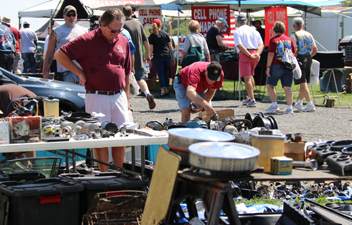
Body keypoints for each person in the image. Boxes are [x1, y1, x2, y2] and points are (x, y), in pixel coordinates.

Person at [54, 8, 131, 172]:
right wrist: (80, 72)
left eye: (120, 30)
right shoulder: (87, 39)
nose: (116, 33)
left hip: (119, 96)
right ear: (102, 25)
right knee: (100, 137)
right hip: (97, 96)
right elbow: (59, 55)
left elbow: (126, 72)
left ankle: (119, 176)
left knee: (120, 137)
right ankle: (104, 177)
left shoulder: (123, 41)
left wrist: (127, 98)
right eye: (113, 30)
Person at [43, 5, 88, 84]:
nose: (71, 17)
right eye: (68, 15)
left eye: (73, 15)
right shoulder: (56, 32)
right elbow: (50, 52)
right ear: (64, 16)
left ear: (76, 16)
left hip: (83, 72)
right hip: (65, 73)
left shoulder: (84, 31)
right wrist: (45, 72)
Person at [123, 4, 155, 109]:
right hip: (139, 57)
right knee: (140, 78)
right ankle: (147, 94)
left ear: (123, 13)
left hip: (127, 57)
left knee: (126, 80)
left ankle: (128, 103)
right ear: (132, 13)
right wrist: (148, 55)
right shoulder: (139, 24)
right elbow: (146, 41)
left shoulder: (121, 25)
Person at [233, 13, 264, 107]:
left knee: (247, 78)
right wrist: (257, 54)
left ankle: (252, 99)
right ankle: (250, 97)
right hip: (255, 52)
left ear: (237, 22)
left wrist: (249, 55)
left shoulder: (237, 31)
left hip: (245, 54)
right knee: (250, 76)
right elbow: (261, 44)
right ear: (246, 21)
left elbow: (239, 45)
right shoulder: (254, 30)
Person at [265, 21, 296, 114]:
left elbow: (271, 54)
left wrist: (268, 67)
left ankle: (274, 105)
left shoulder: (273, 40)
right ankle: (289, 107)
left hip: (276, 64)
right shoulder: (289, 40)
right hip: (288, 65)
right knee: (287, 87)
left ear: (274, 30)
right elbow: (294, 52)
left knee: (270, 85)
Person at [0, 85, 37, 158]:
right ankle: (31, 162)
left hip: (17, 101)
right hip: (31, 98)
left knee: (16, 135)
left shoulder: (13, 103)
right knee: (25, 134)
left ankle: (26, 162)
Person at [291, 17, 318, 112]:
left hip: (299, 58)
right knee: (304, 80)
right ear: (303, 25)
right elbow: (315, 49)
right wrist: (309, 55)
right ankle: (300, 101)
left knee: (303, 82)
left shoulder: (294, 35)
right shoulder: (309, 34)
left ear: (294, 26)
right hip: (308, 58)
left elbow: (294, 50)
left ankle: (310, 103)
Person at [149, 19, 174, 98]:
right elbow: (170, 46)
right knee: (165, 73)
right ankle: (167, 91)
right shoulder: (165, 34)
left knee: (160, 74)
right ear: (160, 25)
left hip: (158, 56)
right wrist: (173, 56)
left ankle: (162, 92)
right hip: (167, 56)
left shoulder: (152, 36)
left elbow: (151, 49)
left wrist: (149, 57)